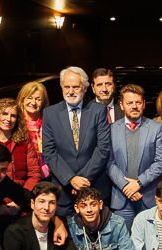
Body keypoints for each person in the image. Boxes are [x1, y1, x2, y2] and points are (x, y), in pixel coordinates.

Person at [42, 66, 112, 206]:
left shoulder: (98, 111)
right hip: (64, 190)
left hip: (94, 187)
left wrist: (82, 178)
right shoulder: (50, 113)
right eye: (66, 87)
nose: (70, 91)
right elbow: (49, 152)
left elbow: (103, 148)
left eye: (75, 87)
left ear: (85, 88)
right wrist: (71, 179)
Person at [107, 84, 162, 230]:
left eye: (138, 102)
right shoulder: (111, 129)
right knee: (123, 245)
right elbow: (109, 162)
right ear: (122, 105)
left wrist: (138, 183)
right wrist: (126, 186)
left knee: (149, 245)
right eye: (130, 103)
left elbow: (161, 162)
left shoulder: (155, 128)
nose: (134, 106)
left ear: (143, 104)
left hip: (147, 197)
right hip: (122, 199)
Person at [0, 98, 42, 191]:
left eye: (13, 116)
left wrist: (21, 198)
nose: (8, 119)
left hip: (20, 198)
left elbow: (34, 174)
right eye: (4, 114)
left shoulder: (24, 143)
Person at [18, 79, 50, 178]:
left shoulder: (49, 122)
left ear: (43, 102)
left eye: (38, 99)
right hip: (23, 175)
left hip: (47, 175)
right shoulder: (15, 122)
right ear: (22, 100)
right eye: (29, 98)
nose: (33, 102)